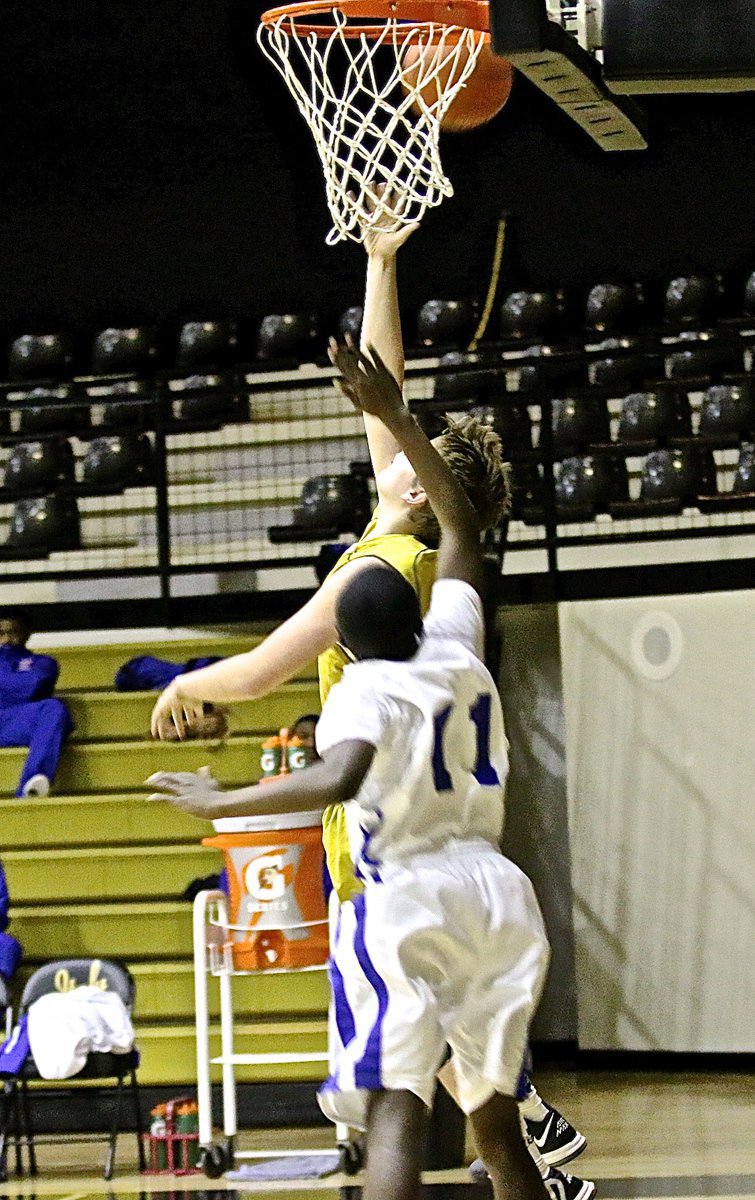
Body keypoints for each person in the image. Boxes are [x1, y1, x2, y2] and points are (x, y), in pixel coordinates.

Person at [148, 208, 589, 1185]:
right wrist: (380, 263)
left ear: (420, 493)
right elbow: (383, 405)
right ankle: (526, 1118)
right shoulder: (437, 572)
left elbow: (266, 670)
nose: (396, 451)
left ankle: (526, 1114)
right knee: (468, 1091)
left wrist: (183, 689)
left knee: (390, 1099)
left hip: (385, 849)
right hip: (479, 870)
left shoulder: (384, 563)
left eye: (410, 452)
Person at [0, 610, 73, 798]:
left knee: (53, 708)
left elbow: (30, 687)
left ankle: (31, 787)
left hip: (16, 721)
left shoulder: (42, 663)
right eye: (0, 633)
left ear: (26, 633)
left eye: (13, 632)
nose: (7, 639)